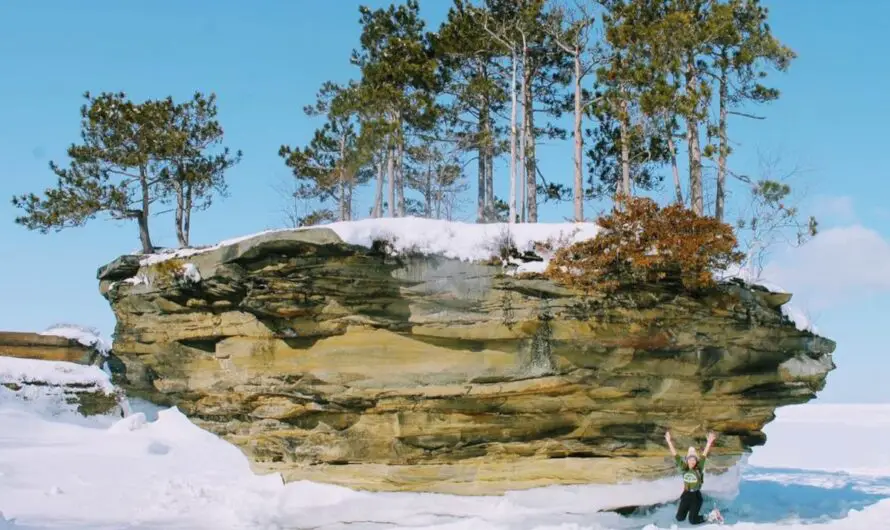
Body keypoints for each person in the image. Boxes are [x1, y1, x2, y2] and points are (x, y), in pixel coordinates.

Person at [664, 430, 718, 525]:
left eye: (694, 459)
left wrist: (709, 443)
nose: (692, 461)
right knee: (679, 518)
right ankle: (689, 510)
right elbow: (675, 455)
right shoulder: (684, 468)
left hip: (695, 497)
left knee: (692, 520)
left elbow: (704, 456)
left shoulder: (699, 468)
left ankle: (711, 516)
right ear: (687, 460)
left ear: (696, 461)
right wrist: (668, 441)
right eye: (690, 459)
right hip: (686, 495)